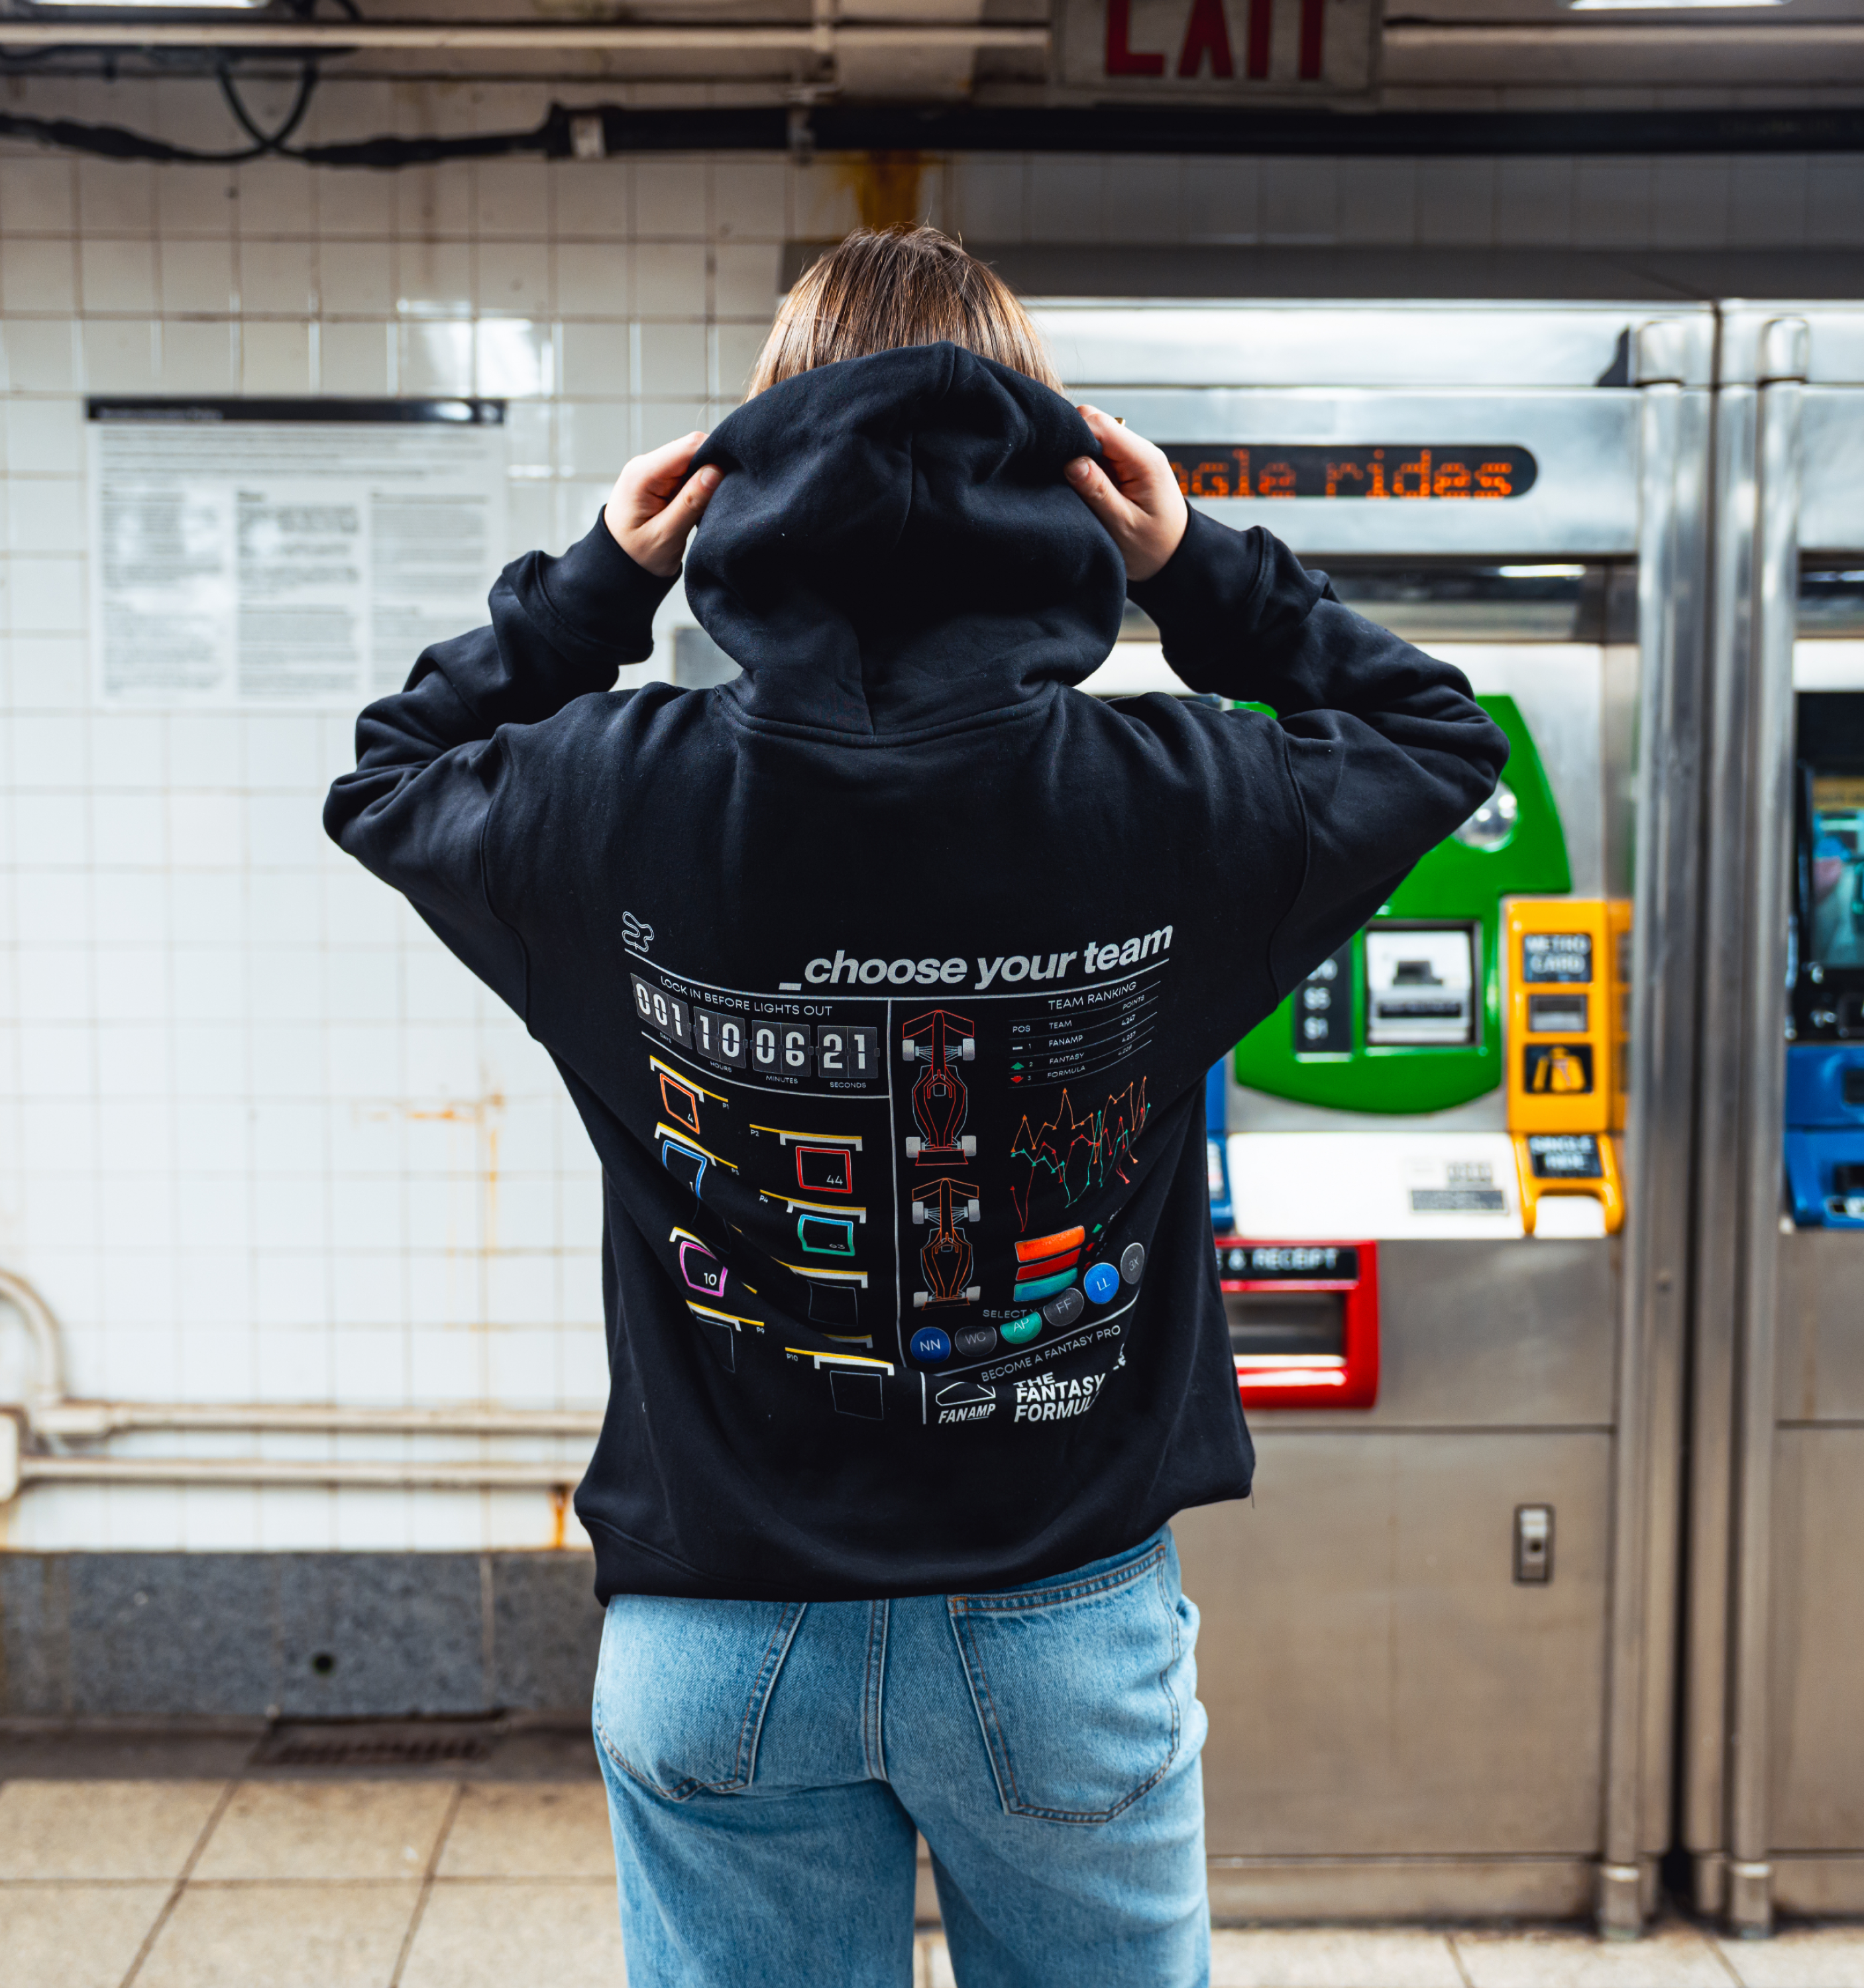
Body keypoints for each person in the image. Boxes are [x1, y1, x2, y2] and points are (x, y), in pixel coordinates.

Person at [326, 226, 1508, 1988]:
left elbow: (386, 774)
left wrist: (588, 589)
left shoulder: (604, 797)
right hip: (1060, 1626)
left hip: (721, 1639)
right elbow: (1436, 739)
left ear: (744, 476)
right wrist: (1203, 574)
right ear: (1059, 481)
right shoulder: (1177, 794)